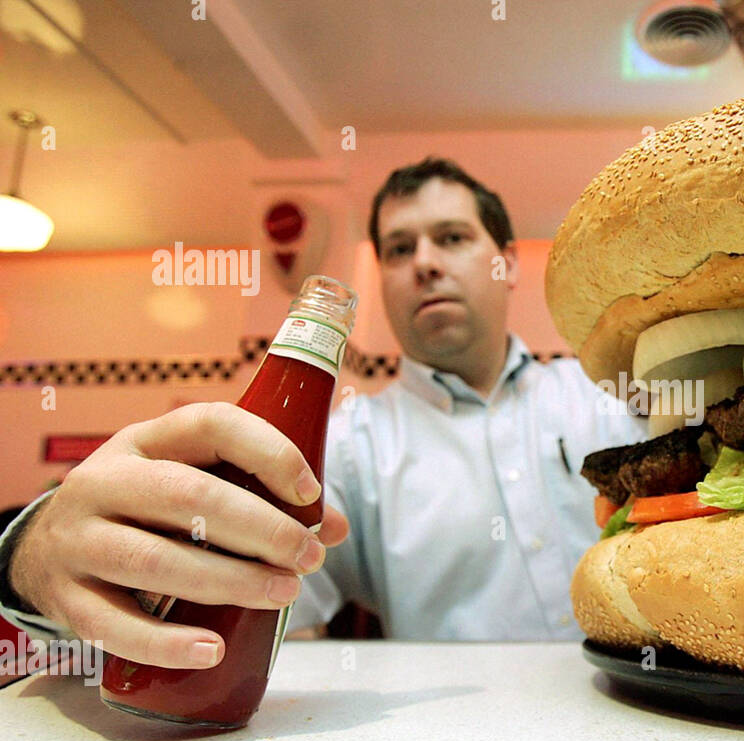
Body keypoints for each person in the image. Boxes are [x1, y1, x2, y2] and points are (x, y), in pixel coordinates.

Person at [0, 158, 646, 669]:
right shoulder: (342, 445)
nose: (424, 262)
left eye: (451, 238)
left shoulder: (610, 395)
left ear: (505, 262)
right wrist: (30, 558)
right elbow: (265, 613)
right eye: (398, 249)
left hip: (643, 713)